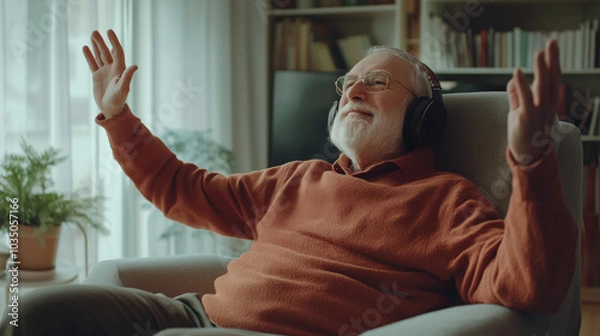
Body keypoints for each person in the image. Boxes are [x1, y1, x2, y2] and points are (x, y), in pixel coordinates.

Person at [1, 29, 577, 336]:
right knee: (25, 313)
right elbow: (182, 187)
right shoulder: (299, 180)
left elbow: (528, 289)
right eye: (347, 83)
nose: (352, 91)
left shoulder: (446, 201)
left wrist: (530, 163)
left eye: (377, 83)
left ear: (424, 119)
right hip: (187, 315)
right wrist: (119, 119)